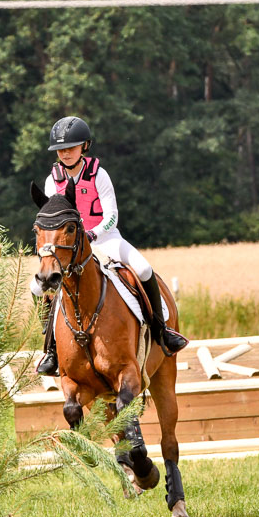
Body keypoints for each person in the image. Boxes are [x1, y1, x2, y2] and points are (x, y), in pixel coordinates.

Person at [31, 116, 188, 375]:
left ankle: (162, 331)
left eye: (71, 148)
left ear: (85, 146)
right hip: (70, 247)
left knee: (144, 269)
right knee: (37, 288)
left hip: (105, 239)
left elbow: (112, 215)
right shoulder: (52, 181)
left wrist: (92, 234)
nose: (65, 153)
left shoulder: (98, 175)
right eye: (60, 149)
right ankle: (51, 349)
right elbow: (51, 221)